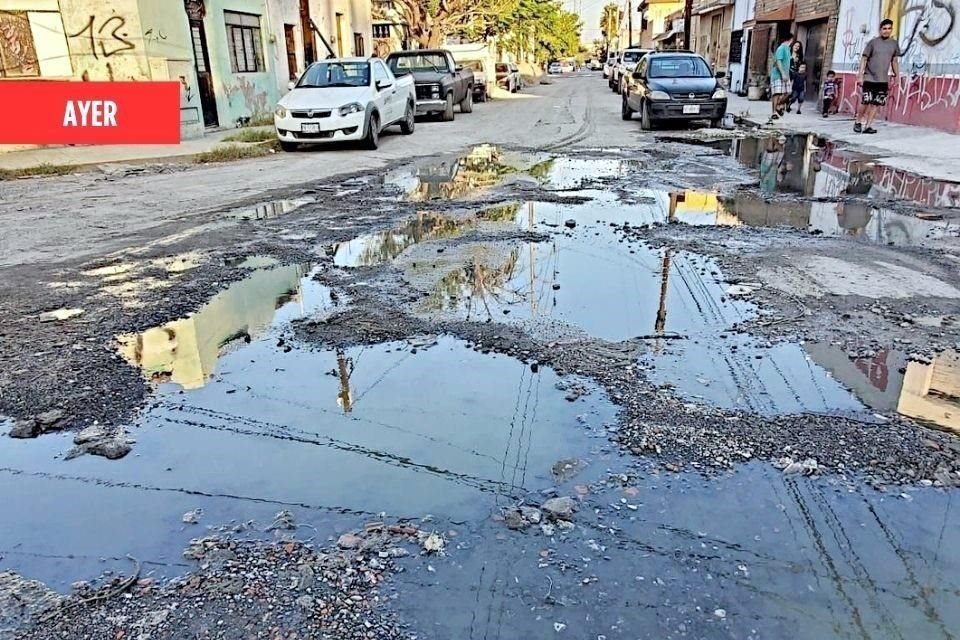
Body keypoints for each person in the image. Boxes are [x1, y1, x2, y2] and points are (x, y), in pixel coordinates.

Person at [855, 18, 900, 134]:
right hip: (869, 77)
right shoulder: (873, 43)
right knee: (866, 101)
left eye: (889, 28)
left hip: (883, 80)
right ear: (880, 30)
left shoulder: (894, 44)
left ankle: (868, 126)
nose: (887, 31)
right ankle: (858, 121)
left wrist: (897, 76)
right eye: (884, 28)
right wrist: (860, 76)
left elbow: (894, 61)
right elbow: (864, 59)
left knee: (876, 103)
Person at [768, 33, 794, 121]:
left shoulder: (788, 49)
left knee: (788, 92)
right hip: (778, 75)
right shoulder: (781, 48)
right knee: (777, 93)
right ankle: (774, 112)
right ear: (790, 39)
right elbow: (779, 61)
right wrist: (782, 73)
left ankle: (778, 105)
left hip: (786, 74)